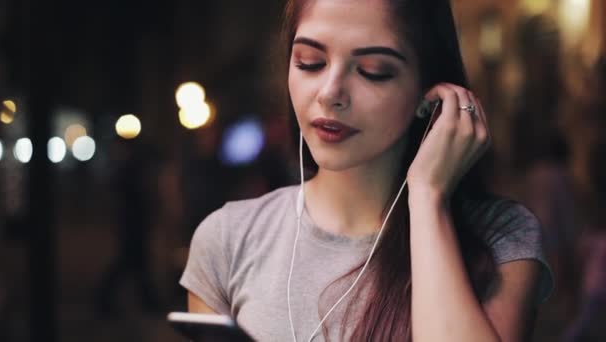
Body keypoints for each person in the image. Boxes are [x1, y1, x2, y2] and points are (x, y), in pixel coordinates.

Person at [180, 0, 553, 341]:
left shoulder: (501, 236)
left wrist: (426, 196)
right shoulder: (228, 240)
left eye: (373, 71)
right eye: (310, 62)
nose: (330, 93)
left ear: (431, 90)